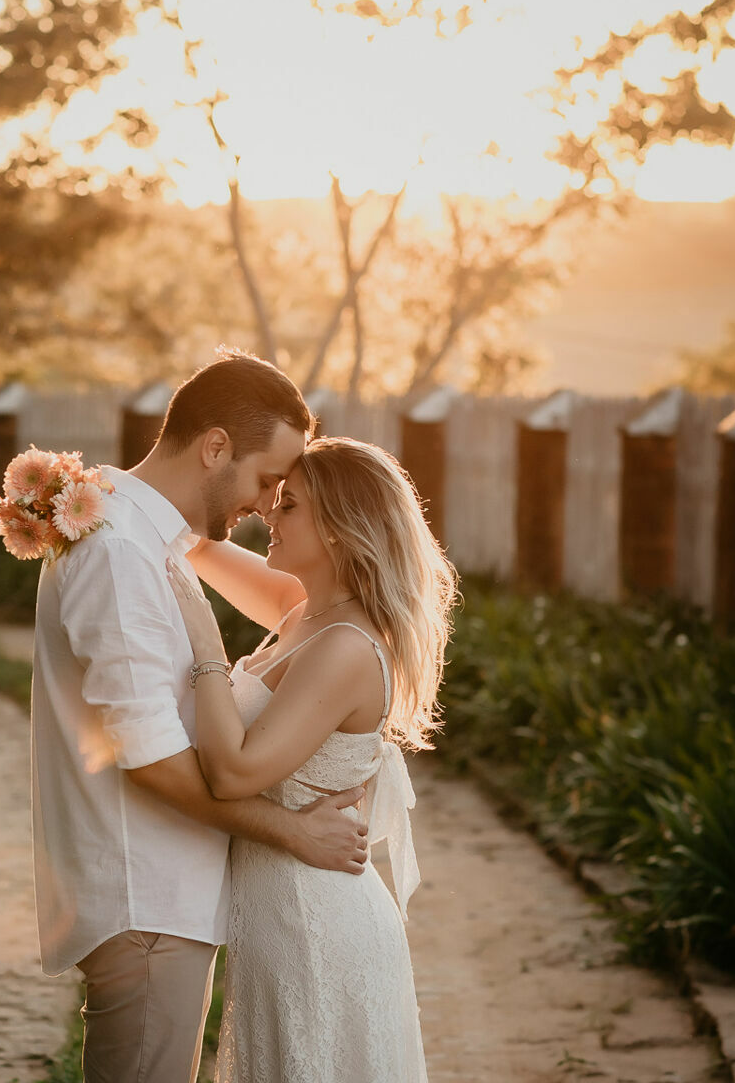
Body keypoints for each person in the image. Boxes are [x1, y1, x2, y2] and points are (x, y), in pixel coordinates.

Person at [29, 350, 373, 1083]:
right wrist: (295, 831)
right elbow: (152, 761)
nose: (268, 503)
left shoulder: (140, 536)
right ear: (216, 447)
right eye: (266, 479)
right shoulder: (121, 553)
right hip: (147, 898)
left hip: (161, 896)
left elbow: (303, 607)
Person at [170, 434, 459, 1083]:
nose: (269, 513)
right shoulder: (302, 611)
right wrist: (103, 494)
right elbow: (194, 546)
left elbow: (233, 772)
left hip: (316, 930)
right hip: (279, 923)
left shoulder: (346, 646)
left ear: (338, 527)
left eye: (290, 504)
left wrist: (207, 649)